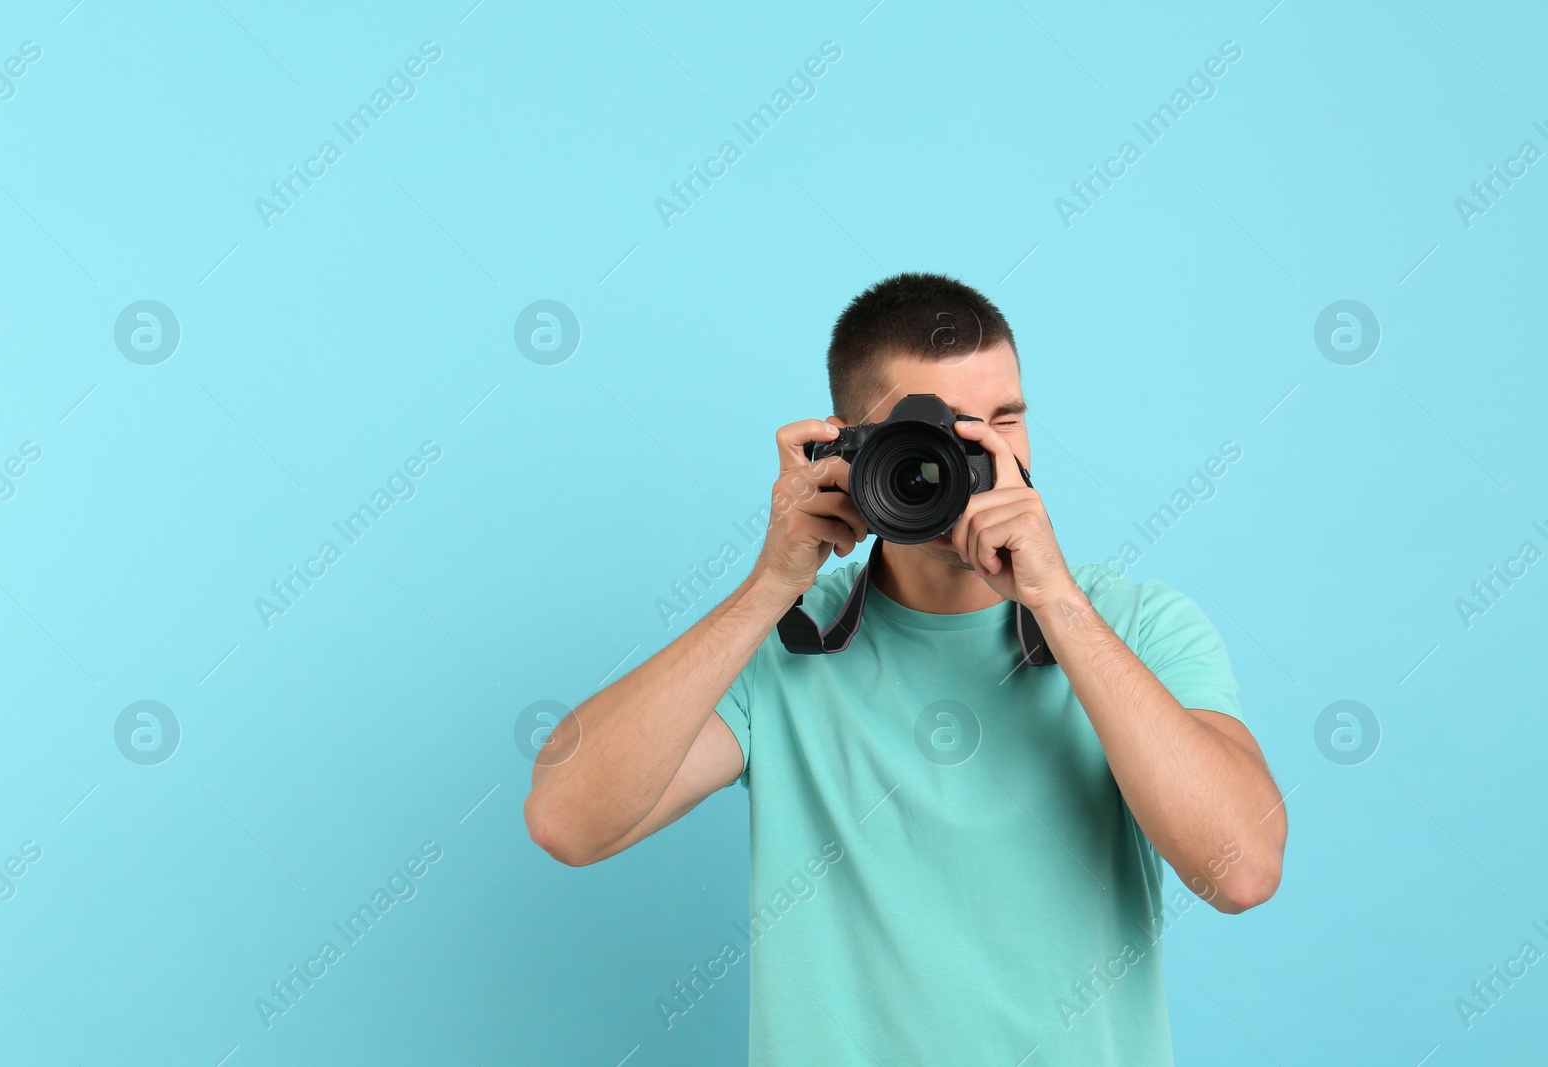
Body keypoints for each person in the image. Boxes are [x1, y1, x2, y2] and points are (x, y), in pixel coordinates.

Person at [523, 272, 1287, 1065]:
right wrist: (769, 586)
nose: (982, 454)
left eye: (1005, 421)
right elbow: (566, 820)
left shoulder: (1133, 625)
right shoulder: (789, 638)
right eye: (944, 431)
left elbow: (1242, 872)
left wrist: (1055, 600)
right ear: (848, 448)